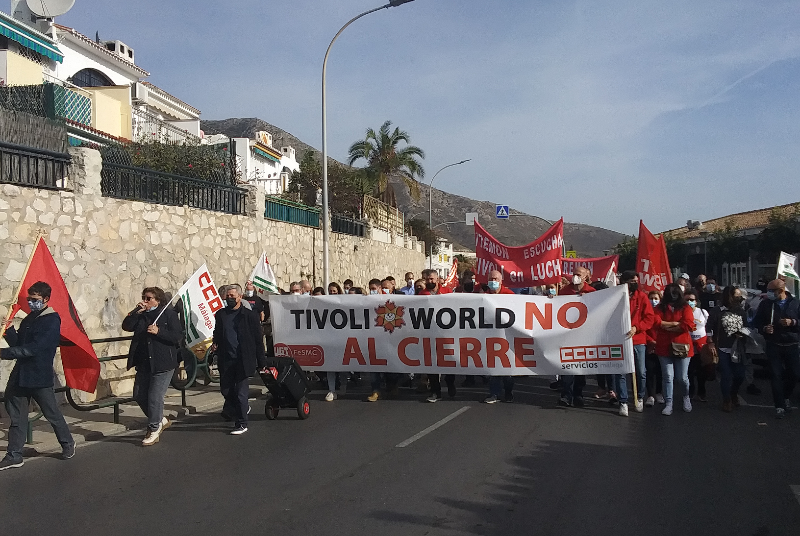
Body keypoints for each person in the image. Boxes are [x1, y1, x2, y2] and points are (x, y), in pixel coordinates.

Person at [0, 282, 75, 470]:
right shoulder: (29, 319)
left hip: (39, 376)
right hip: (20, 376)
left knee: (52, 413)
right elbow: (19, 342)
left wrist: (4, 353)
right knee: (17, 417)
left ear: (46, 300)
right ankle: (14, 454)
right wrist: (8, 330)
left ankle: (67, 443)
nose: (31, 302)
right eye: (29, 299)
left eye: (35, 299)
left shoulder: (51, 320)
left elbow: (35, 348)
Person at [122, 286, 183, 446]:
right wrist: (135, 312)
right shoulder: (141, 316)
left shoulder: (168, 314)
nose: (145, 301)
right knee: (139, 395)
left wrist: (159, 332)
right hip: (144, 362)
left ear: (158, 300)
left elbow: (177, 336)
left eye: (149, 298)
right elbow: (126, 326)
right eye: (144, 297)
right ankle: (161, 419)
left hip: (163, 362)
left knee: (155, 397)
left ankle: (154, 428)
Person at [213, 284, 267, 434]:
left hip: (243, 359)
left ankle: (241, 423)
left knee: (240, 393)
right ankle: (241, 408)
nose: (229, 298)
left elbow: (257, 340)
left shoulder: (249, 316)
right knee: (226, 390)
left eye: (232, 296)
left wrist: (261, 362)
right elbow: (218, 332)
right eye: (228, 296)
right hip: (226, 359)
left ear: (240, 297)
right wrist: (215, 343)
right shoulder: (221, 314)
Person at [753, 279, 800, 419]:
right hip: (774, 344)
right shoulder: (766, 304)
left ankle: (785, 396)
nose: (769, 293)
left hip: (791, 344)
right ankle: (779, 405)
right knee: (776, 375)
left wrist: (793, 322)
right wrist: (764, 328)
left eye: (771, 291)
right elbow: (757, 321)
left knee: (794, 374)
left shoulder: (795, 303)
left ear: (781, 290)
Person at [653, 283, 696, 416]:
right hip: (664, 346)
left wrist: (666, 325)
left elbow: (688, 324)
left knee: (682, 377)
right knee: (668, 376)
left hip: (682, 346)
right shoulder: (660, 307)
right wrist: (675, 324)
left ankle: (686, 396)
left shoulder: (685, 307)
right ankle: (669, 403)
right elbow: (655, 322)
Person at [618, 271, 655, 415]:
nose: (635, 283)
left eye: (636, 281)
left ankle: (639, 397)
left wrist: (637, 327)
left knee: (641, 371)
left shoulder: (642, 297)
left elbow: (649, 318)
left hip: (638, 340)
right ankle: (623, 401)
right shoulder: (616, 296)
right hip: (620, 339)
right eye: (632, 281)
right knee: (621, 371)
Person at [558, 268, 595, 407]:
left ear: (585, 277)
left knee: (580, 367)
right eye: (574, 274)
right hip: (567, 335)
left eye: (578, 275)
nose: (575, 277)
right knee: (567, 367)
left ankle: (578, 395)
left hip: (584, 336)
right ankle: (566, 395)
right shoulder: (564, 291)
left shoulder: (592, 292)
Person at [712, 286, 748, 412]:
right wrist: (710, 342)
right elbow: (709, 328)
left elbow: (747, 327)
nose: (739, 298)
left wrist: (743, 334)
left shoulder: (741, 311)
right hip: (722, 348)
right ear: (729, 296)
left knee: (739, 375)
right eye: (737, 295)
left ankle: (734, 393)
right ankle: (727, 399)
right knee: (726, 375)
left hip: (738, 348)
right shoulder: (717, 311)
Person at [482, 270, 516, 404]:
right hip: (489, 336)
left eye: (495, 279)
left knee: (506, 370)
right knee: (493, 368)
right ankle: (494, 394)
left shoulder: (510, 295)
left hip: (506, 336)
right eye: (491, 279)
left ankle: (508, 393)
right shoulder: (483, 296)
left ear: (501, 281)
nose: (493, 281)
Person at [685, 289, 710, 403]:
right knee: (689, 371)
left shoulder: (703, 312)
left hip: (701, 346)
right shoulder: (682, 311)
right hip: (687, 346)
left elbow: (709, 328)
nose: (690, 302)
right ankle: (690, 391)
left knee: (702, 371)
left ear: (696, 301)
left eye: (692, 300)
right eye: (687, 300)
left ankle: (701, 391)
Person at [645, 290, 664, 406]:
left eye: (656, 298)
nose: (653, 301)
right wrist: (650, 341)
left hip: (661, 345)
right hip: (649, 346)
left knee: (660, 371)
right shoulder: (646, 312)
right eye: (651, 298)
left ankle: (659, 392)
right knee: (649, 371)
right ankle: (651, 395)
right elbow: (644, 329)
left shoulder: (663, 312)